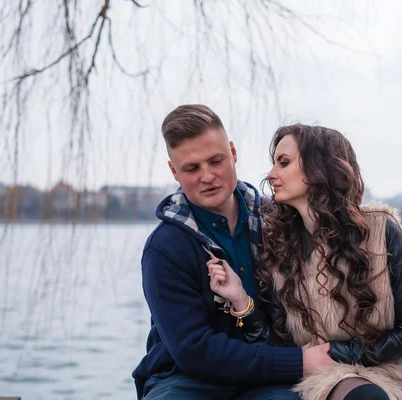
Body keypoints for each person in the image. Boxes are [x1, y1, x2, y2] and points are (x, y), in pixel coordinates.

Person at [208, 124, 402, 400]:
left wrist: (337, 351)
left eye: (284, 163)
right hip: (327, 378)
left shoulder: (382, 231)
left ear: (317, 167)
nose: (271, 175)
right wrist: (241, 301)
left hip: (395, 369)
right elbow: (279, 343)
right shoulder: (278, 250)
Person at [132, 106, 332, 400]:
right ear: (175, 171)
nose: (207, 176)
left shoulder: (279, 221)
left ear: (233, 152)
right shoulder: (165, 247)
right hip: (185, 379)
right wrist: (300, 362)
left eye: (216, 161)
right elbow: (193, 350)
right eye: (191, 168)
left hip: (270, 377)